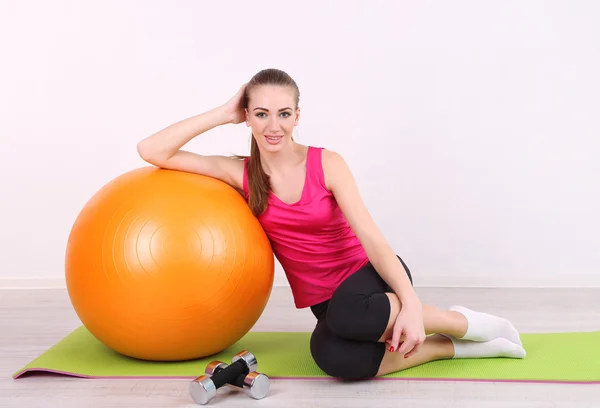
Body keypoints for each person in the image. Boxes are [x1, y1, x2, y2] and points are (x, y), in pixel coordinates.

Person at [137, 68, 526, 380]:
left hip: (371, 276)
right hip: (329, 304)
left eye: (284, 113)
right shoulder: (241, 173)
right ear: (247, 117)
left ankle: (459, 322)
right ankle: (448, 348)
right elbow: (151, 150)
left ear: (297, 116)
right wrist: (223, 112)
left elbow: (373, 239)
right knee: (331, 356)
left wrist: (408, 304)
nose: (274, 126)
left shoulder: (327, 164)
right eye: (261, 113)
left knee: (347, 313)